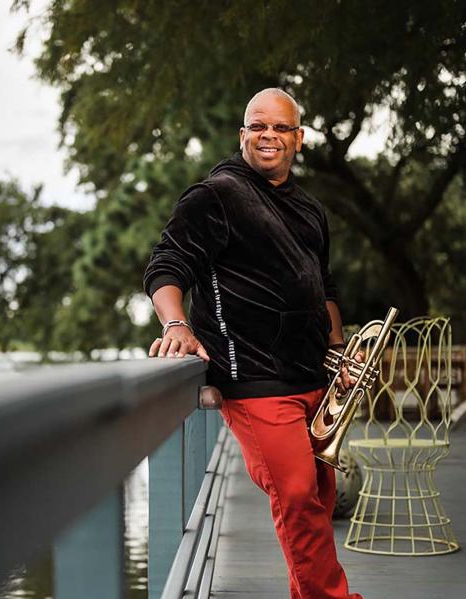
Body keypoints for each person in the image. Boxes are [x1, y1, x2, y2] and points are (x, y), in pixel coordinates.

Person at [143, 88, 363, 599]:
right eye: (258, 127)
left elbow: (323, 287)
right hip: (253, 381)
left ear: (299, 139)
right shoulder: (215, 196)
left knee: (316, 499)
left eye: (281, 128)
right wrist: (175, 325)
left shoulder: (310, 209)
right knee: (295, 494)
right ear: (243, 135)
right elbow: (166, 266)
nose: (269, 136)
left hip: (314, 377)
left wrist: (337, 347)